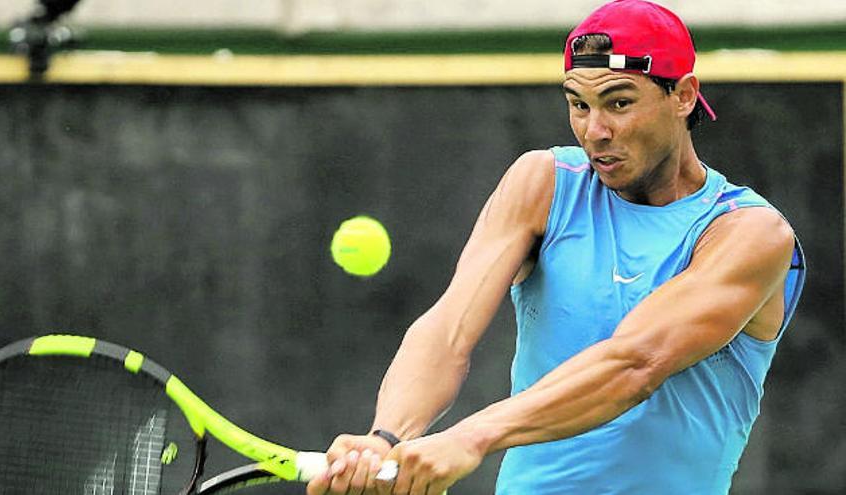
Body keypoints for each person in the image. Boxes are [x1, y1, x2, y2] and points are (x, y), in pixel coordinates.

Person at [306, 0, 806, 493]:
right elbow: (448, 328)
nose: (596, 131)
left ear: (683, 96)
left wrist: (471, 436)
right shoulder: (542, 182)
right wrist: (386, 436)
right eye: (578, 104)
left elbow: (634, 364)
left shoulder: (749, 233)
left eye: (619, 102)